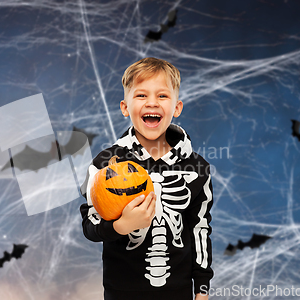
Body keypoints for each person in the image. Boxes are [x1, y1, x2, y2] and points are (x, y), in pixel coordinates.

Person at [80, 57, 213, 300]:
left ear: (177, 107)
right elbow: (89, 226)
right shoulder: (105, 164)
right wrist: (121, 226)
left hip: (179, 293)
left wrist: (202, 289)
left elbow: (199, 229)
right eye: (141, 95)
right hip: (121, 293)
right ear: (124, 107)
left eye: (162, 96)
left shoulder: (197, 167)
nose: (152, 102)